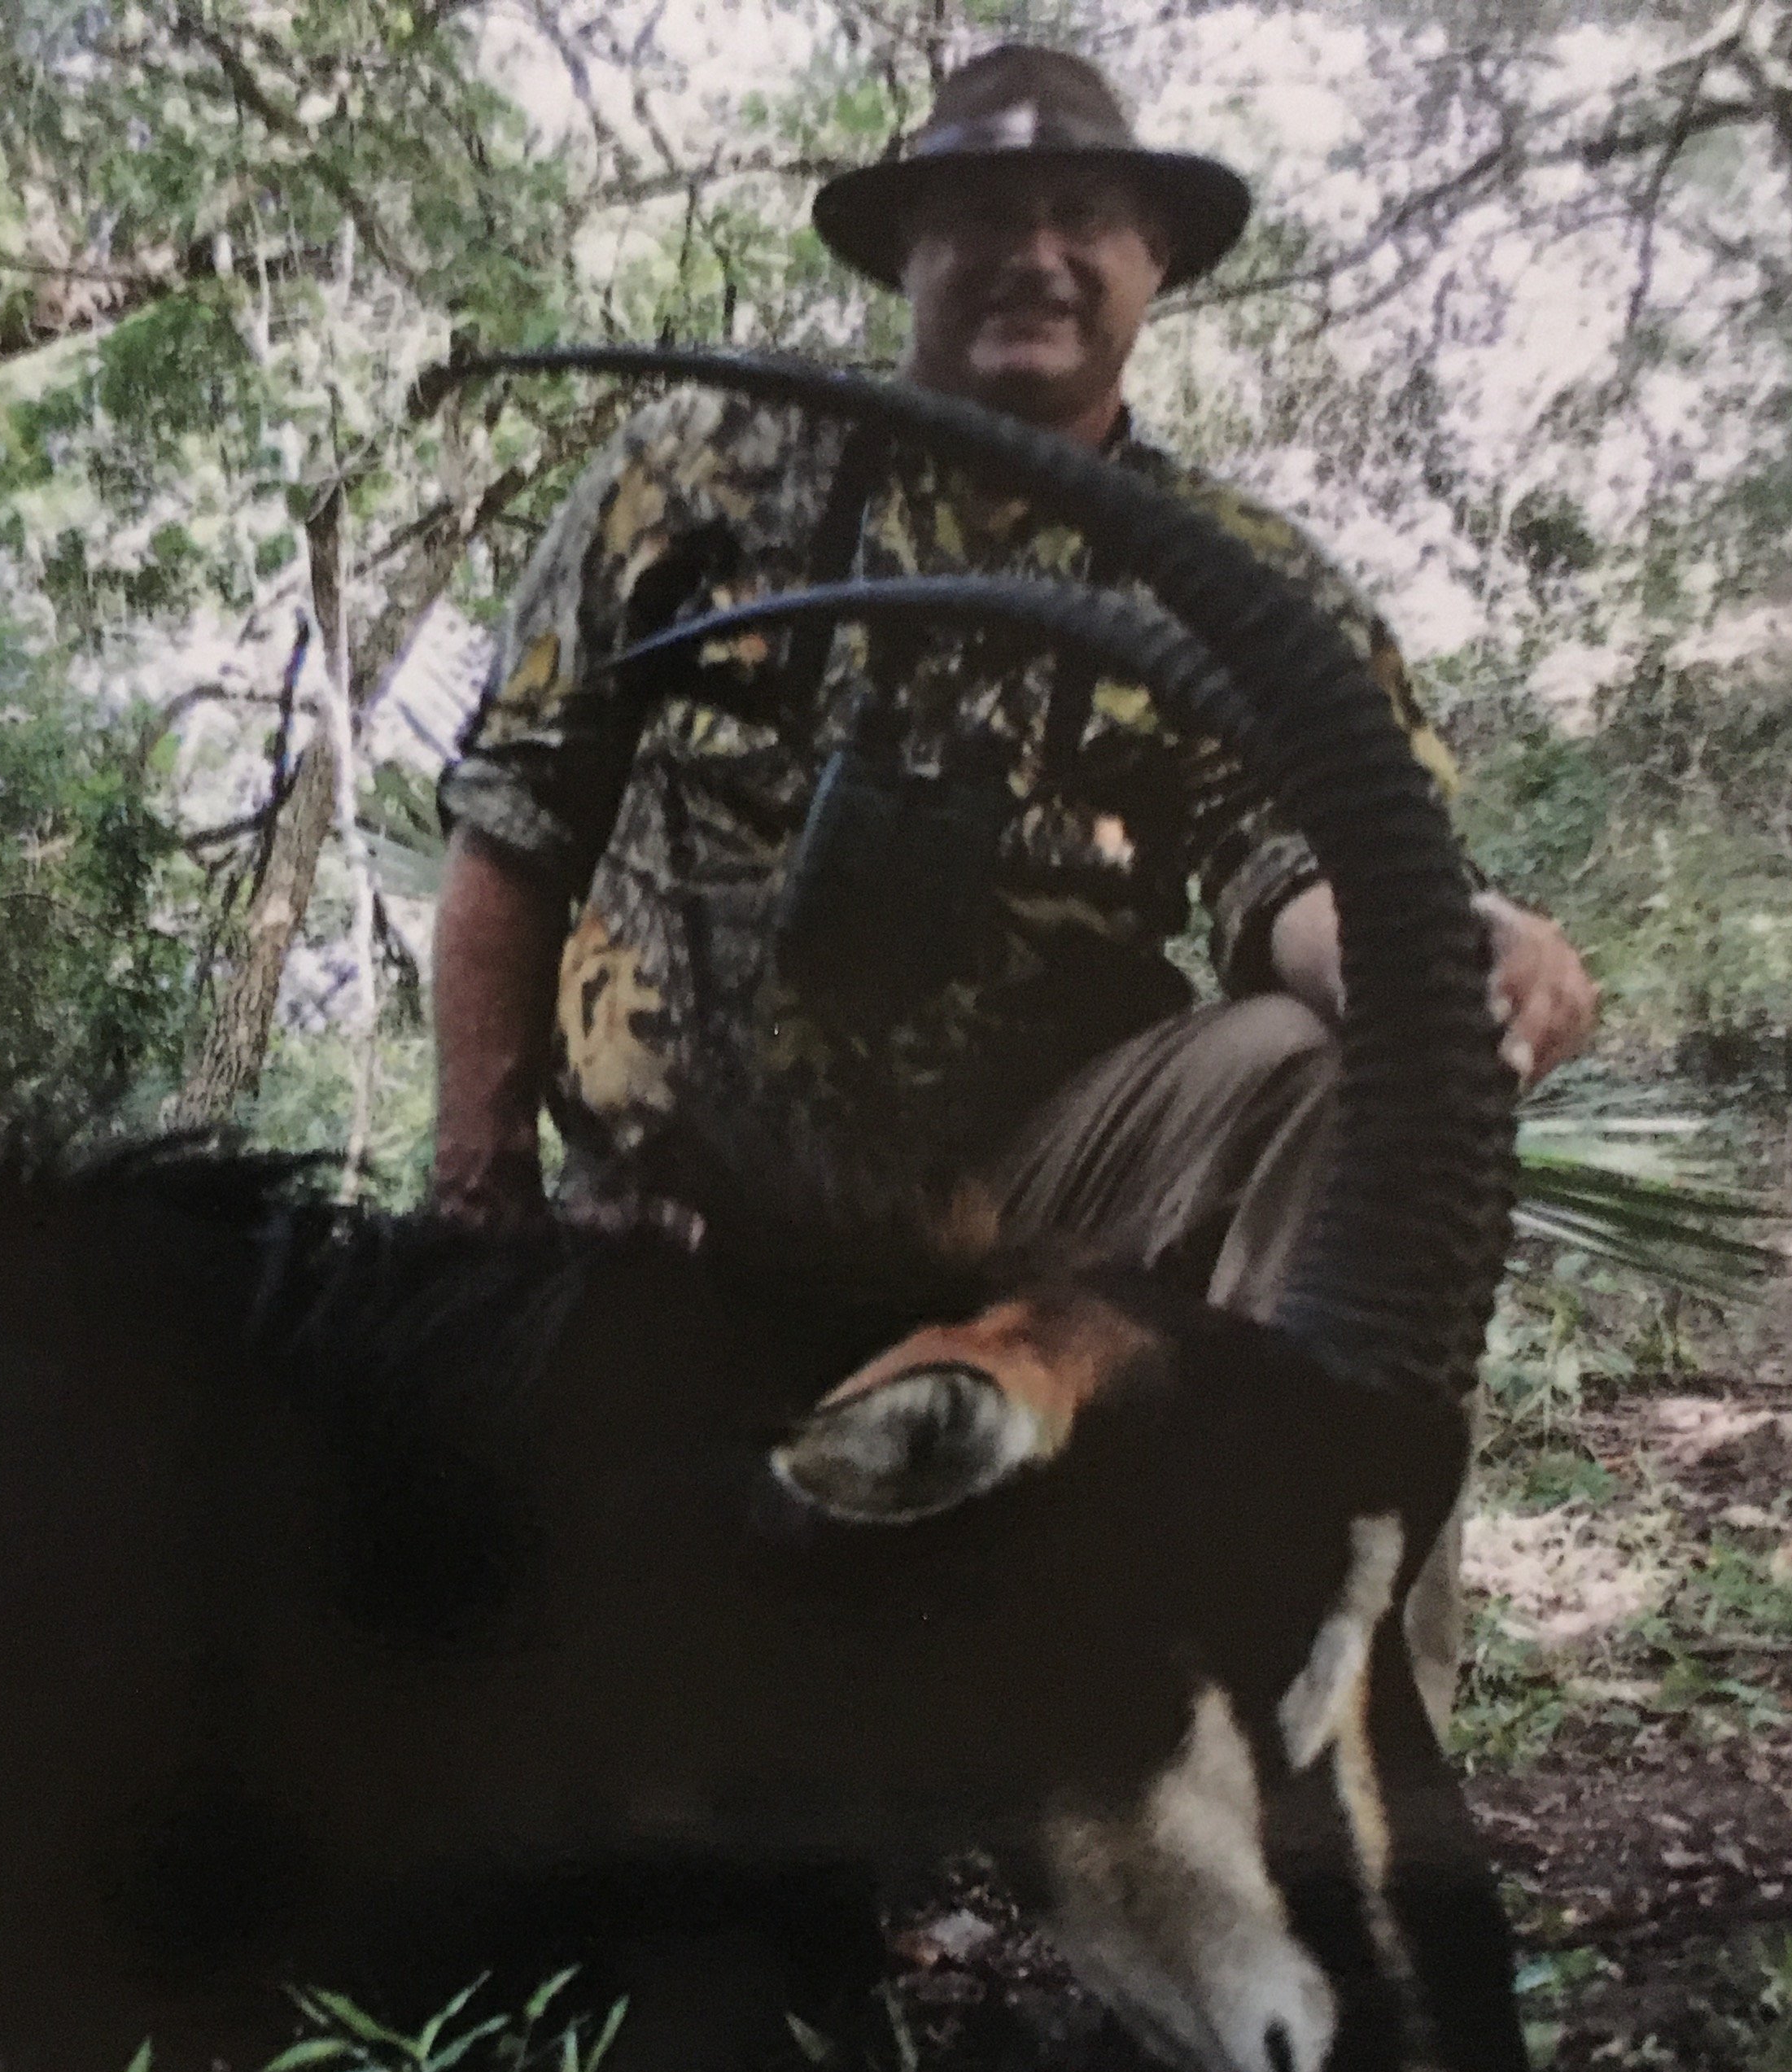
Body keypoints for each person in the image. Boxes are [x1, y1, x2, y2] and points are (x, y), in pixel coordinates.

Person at [428, 42, 1596, 1729]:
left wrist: (1442, 952)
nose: (1033, 253)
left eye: (1083, 216)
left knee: (1326, 1070)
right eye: (979, 213)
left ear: (1157, 262)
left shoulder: (1247, 584)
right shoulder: (696, 469)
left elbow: (1294, 869)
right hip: (671, 1210)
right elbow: (516, 821)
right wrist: (481, 1192)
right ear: (902, 251)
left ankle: (1316, 1748)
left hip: (1032, 1197)